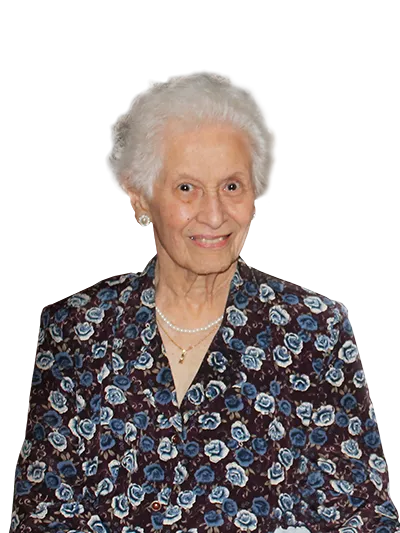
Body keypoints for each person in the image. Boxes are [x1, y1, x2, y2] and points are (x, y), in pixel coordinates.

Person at [10, 74, 400, 533]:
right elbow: (42, 512)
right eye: (186, 188)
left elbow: (359, 514)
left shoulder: (313, 331)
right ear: (140, 197)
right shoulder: (79, 330)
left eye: (232, 187)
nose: (214, 215)